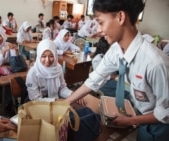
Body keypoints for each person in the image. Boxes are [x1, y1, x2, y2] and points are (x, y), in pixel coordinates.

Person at [65, 0, 169, 140]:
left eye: (101, 23)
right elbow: (95, 79)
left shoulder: (155, 64)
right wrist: (65, 103)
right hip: (141, 115)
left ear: (120, 17)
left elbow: (165, 113)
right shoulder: (116, 50)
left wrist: (131, 120)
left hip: (160, 126)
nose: (98, 30)